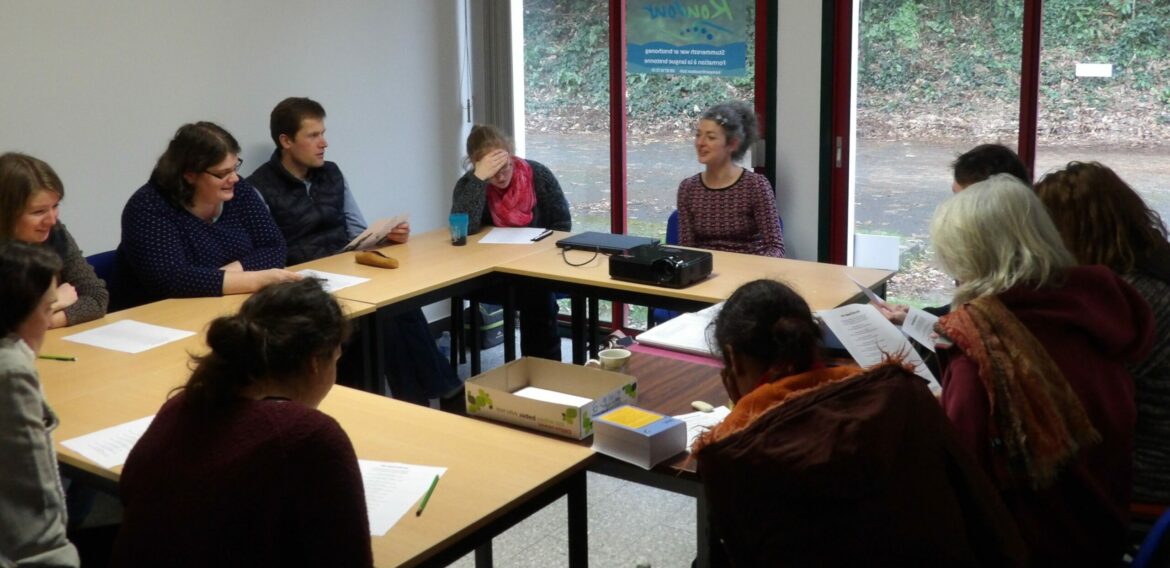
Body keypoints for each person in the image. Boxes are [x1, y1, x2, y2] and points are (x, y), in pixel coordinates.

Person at [691, 279, 1026, 566]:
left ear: (732, 359)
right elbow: (977, 503)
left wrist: (742, 410)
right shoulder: (902, 393)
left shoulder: (733, 455)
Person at [931, 174, 1154, 564]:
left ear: (969, 258)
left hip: (1029, 548)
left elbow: (960, 485)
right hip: (1100, 537)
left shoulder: (982, 352)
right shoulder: (1099, 318)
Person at [113, 279, 371, 566]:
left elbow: (128, 491)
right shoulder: (308, 435)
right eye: (335, 359)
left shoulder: (183, 404)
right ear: (314, 363)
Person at [248, 97, 460, 405]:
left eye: (323, 133)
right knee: (382, 317)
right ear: (286, 141)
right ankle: (430, 395)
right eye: (313, 135)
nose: (324, 143)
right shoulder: (258, 187)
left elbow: (356, 230)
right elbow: (269, 252)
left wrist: (386, 237)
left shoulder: (331, 173)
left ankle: (432, 394)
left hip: (347, 272)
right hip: (302, 283)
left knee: (401, 301)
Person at [1035, 161, 1170, 504]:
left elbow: (1073, 401)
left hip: (1140, 484)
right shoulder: (1150, 273)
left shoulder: (1132, 300)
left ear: (1070, 235)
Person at [117, 122, 300, 306]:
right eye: (223, 173)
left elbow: (275, 246)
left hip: (227, 303)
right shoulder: (148, 207)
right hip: (159, 315)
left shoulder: (238, 190)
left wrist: (227, 275)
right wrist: (255, 280)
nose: (234, 178)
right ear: (190, 175)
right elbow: (171, 280)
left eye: (235, 167)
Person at [451, 125, 568, 360]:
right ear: (477, 166)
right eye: (492, 172)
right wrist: (478, 181)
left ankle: (541, 369)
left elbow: (562, 225)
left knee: (537, 294)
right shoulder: (470, 185)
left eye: (505, 167)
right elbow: (465, 227)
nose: (502, 176)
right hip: (492, 272)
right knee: (533, 294)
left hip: (537, 266)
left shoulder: (538, 175)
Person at [878, 142, 1029, 324]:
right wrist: (917, 317)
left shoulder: (1017, 281)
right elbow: (964, 311)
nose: (956, 207)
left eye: (963, 200)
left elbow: (977, 324)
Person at [0, 241, 80, 567]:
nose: (50, 322)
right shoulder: (11, 372)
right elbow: (35, 510)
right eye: (48, 309)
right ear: (20, 309)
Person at [0, 152, 108, 327]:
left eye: (55, 206)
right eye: (38, 212)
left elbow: (96, 297)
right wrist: (55, 300)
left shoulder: (55, 232)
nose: (51, 220)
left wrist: (44, 320)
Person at [676, 101, 785, 258]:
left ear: (732, 144)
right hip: (704, 274)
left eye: (711, 137)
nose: (700, 143)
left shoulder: (755, 185)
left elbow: (775, 247)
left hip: (749, 273)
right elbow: (686, 248)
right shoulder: (688, 188)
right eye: (698, 135)